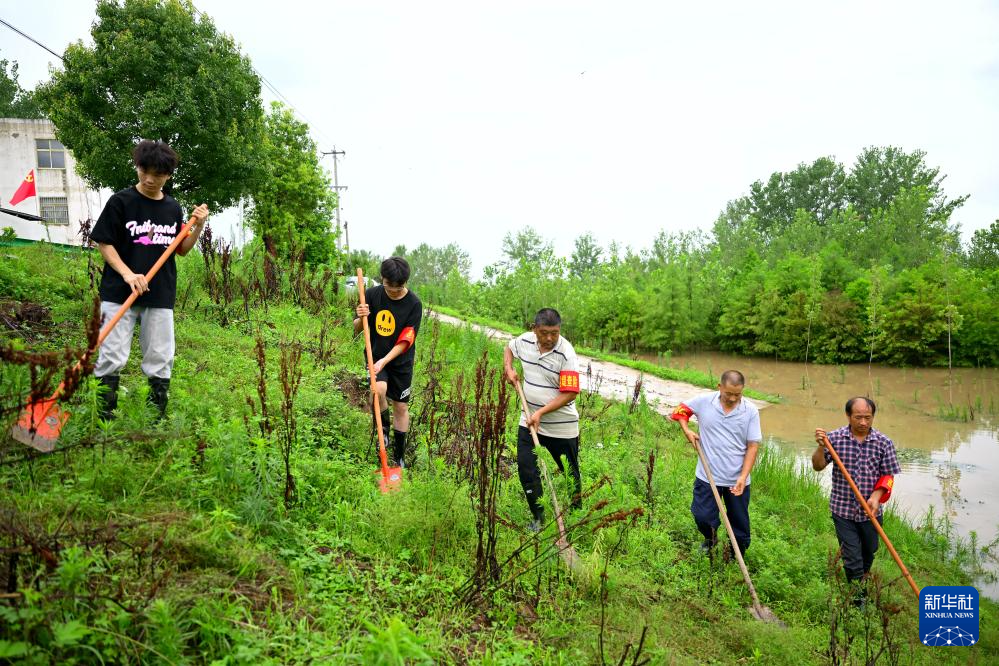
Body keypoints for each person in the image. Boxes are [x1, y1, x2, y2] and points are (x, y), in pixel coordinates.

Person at [90, 139, 210, 419]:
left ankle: (154, 420)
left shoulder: (172, 207)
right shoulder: (121, 202)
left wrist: (198, 227)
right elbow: (104, 243)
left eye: (157, 174)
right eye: (144, 171)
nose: (149, 179)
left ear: (168, 175)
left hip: (160, 293)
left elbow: (180, 249)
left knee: (160, 357)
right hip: (119, 292)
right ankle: (105, 419)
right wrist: (128, 274)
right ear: (138, 168)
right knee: (111, 355)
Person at [813, 397, 900, 602]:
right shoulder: (834, 439)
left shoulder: (883, 442)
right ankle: (857, 599)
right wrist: (819, 446)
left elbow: (888, 476)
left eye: (867, 418)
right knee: (852, 556)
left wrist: (876, 497)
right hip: (842, 509)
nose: (863, 422)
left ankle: (860, 580)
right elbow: (817, 466)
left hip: (871, 511)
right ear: (848, 416)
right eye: (858, 417)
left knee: (869, 551)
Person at [504, 308, 582, 532]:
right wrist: (508, 369)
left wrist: (541, 413)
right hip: (528, 420)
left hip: (561, 427)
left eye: (554, 333)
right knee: (527, 470)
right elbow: (509, 348)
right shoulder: (525, 341)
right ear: (534, 329)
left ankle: (578, 516)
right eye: (544, 332)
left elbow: (570, 393)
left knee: (570, 474)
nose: (549, 338)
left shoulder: (566, 353)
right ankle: (538, 518)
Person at [672, 370, 761, 558]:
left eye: (737, 394)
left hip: (736, 479)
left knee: (739, 525)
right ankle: (710, 539)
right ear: (719, 387)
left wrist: (743, 476)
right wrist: (687, 430)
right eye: (728, 393)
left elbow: (752, 446)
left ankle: (737, 554)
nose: (732, 398)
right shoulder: (704, 402)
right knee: (702, 516)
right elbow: (680, 411)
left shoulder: (750, 411)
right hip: (707, 474)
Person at [353, 257, 422, 467]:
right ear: (382, 279)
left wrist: (385, 361)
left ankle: (399, 456)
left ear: (405, 283)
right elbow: (357, 328)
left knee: (400, 407)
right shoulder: (372, 295)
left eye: (397, 287)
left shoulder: (414, 304)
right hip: (375, 356)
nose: (392, 291)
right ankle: (383, 438)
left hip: (400, 361)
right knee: (378, 391)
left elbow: (406, 340)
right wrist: (360, 316)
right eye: (388, 286)